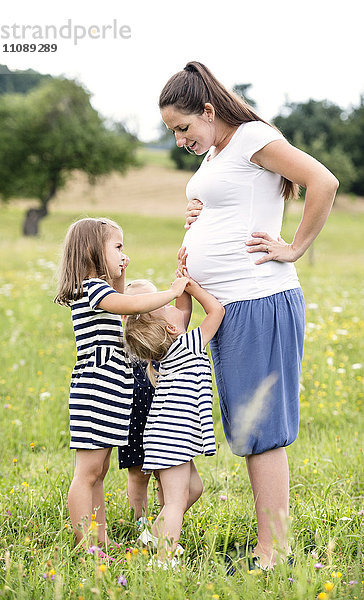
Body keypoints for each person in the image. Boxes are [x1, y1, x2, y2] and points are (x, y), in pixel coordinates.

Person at [159, 61, 339, 570]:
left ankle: (274, 549)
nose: (179, 139)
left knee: (260, 427)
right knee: (245, 424)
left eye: (183, 127)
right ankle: (270, 542)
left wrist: (295, 247)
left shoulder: (251, 137)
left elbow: (322, 181)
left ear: (209, 111)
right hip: (229, 306)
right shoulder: (219, 153)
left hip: (258, 298)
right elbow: (232, 204)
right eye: (172, 131)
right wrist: (195, 218)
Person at [54, 217, 189, 550]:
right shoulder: (90, 288)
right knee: (87, 473)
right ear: (93, 251)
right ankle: (88, 546)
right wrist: (170, 292)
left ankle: (99, 540)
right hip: (97, 389)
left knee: (98, 470)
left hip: (111, 390)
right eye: (117, 247)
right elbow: (128, 304)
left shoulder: (100, 289)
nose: (122, 254)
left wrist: (122, 273)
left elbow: (119, 302)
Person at [125, 275, 225, 566]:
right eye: (168, 306)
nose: (175, 305)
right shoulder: (187, 345)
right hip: (172, 440)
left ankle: (152, 539)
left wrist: (182, 277)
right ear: (171, 327)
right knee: (176, 501)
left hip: (167, 437)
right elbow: (216, 312)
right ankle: (164, 560)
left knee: (193, 490)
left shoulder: (170, 352)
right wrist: (192, 287)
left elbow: (181, 310)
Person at [118, 279, 164, 527]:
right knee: (137, 473)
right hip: (134, 418)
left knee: (165, 471)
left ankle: (165, 517)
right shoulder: (124, 342)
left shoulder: (162, 342)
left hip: (160, 416)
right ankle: (140, 520)